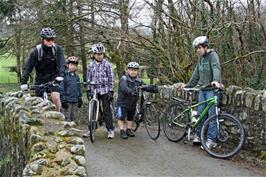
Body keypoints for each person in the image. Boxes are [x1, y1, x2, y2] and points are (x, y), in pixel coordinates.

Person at [181, 36, 222, 148]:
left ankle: (211, 140)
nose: (197, 50)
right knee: (200, 114)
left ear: (205, 47)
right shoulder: (200, 59)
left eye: (199, 48)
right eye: (196, 48)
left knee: (212, 116)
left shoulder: (213, 55)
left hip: (211, 90)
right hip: (202, 90)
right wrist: (188, 85)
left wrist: (216, 80)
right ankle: (198, 136)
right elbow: (196, 74)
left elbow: (216, 67)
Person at [20, 27, 65, 111]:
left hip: (53, 77)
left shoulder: (57, 49)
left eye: (52, 39)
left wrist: (61, 75)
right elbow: (28, 67)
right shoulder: (36, 51)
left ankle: (59, 116)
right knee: (38, 103)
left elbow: (62, 63)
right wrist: (24, 82)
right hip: (40, 78)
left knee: (56, 97)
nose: (51, 41)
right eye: (48, 39)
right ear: (43, 39)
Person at [117, 62, 158, 139]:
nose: (133, 72)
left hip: (132, 102)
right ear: (128, 70)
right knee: (121, 117)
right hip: (122, 102)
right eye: (131, 70)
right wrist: (131, 92)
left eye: (135, 70)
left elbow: (144, 86)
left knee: (130, 116)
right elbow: (124, 88)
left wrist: (152, 88)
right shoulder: (124, 79)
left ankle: (128, 129)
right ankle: (122, 131)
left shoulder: (138, 80)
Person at [85, 43, 115, 139]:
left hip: (105, 90)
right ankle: (91, 129)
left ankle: (110, 130)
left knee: (106, 110)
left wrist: (111, 91)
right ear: (94, 54)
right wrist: (88, 90)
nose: (99, 55)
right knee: (93, 110)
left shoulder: (107, 65)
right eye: (97, 54)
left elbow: (111, 78)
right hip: (94, 90)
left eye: (101, 54)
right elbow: (88, 78)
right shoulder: (90, 65)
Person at [60, 56, 83, 122]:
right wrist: (63, 100)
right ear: (68, 65)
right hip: (67, 101)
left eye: (75, 65)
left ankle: (74, 131)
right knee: (66, 118)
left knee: (74, 118)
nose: (73, 66)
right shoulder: (64, 75)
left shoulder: (77, 76)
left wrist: (80, 98)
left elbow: (78, 87)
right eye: (71, 65)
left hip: (75, 101)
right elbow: (61, 88)